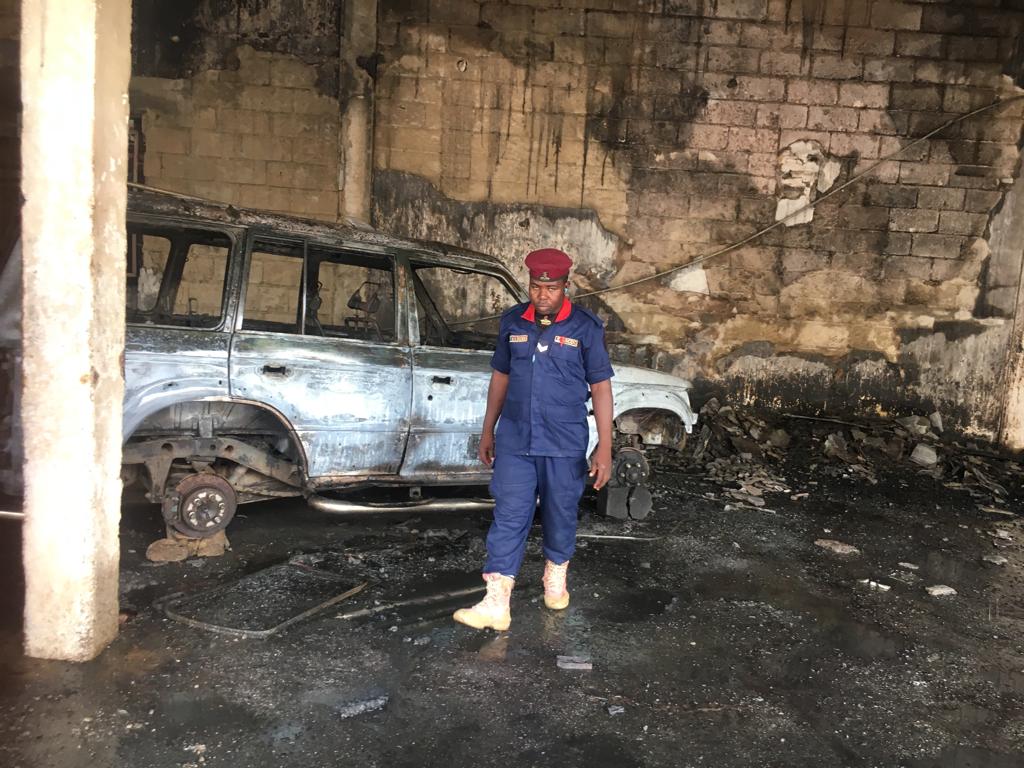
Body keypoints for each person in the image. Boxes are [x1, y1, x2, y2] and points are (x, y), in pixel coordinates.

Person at [453, 247, 615, 631]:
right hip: (516, 440)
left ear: (565, 286)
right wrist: (487, 429)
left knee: (560, 513)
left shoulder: (585, 328)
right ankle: (497, 603)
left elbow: (601, 387)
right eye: (536, 286)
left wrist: (604, 446)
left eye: (551, 288)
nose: (542, 295)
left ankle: (555, 574)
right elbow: (500, 378)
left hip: (563, 442)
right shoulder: (512, 323)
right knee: (509, 514)